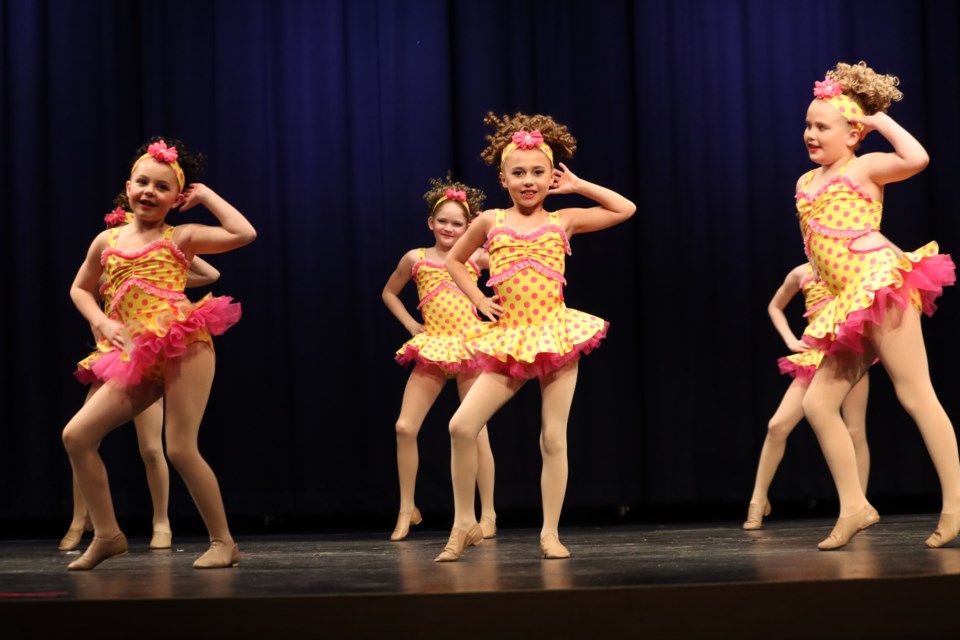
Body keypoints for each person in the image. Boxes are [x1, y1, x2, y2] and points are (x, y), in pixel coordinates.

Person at [437, 112, 636, 561]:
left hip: (557, 337)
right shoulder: (490, 221)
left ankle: (549, 532)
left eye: (538, 173)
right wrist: (478, 300)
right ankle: (463, 522)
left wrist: (580, 185)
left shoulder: (563, 220)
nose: (529, 181)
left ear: (551, 177)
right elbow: (455, 261)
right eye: (519, 173)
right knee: (461, 425)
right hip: (511, 339)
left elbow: (625, 209)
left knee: (552, 437)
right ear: (503, 178)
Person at [62, 137, 256, 569]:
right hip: (134, 352)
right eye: (142, 182)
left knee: (180, 447)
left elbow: (244, 233)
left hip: (182, 341)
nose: (149, 191)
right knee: (76, 436)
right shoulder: (107, 240)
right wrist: (103, 321)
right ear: (128, 187)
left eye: (162, 187)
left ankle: (223, 542)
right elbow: (79, 288)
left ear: (175, 198)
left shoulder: (181, 236)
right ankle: (109, 535)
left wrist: (206, 196)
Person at [795, 61, 958, 549]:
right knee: (818, 404)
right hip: (847, 303)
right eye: (808, 124)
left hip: (879, 288)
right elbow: (816, 247)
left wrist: (881, 121)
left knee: (915, 394)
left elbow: (918, 158)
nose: (811, 133)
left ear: (853, 134)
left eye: (823, 126)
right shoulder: (806, 182)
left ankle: (954, 505)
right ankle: (855, 506)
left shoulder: (864, 167)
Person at [59, 206, 221, 552]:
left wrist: (176, 262)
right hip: (118, 359)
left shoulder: (168, 246)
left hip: (167, 344)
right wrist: (103, 326)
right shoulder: (107, 270)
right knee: (80, 436)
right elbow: (83, 294)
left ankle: (167, 523)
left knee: (161, 447)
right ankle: (88, 525)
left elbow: (211, 272)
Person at [381, 176, 497, 541]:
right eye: (442, 221)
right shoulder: (415, 258)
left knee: (476, 432)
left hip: (469, 345)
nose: (449, 228)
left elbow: (512, 259)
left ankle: (488, 512)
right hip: (433, 346)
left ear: (467, 227)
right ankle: (406, 510)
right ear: (431, 223)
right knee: (404, 427)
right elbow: (389, 292)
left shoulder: (475, 256)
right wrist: (412, 325)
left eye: (457, 223)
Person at [743, 263, 870, 530]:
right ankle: (758, 500)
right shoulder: (801, 273)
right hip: (814, 357)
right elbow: (774, 306)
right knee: (777, 426)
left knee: (855, 431)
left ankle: (858, 506)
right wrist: (790, 339)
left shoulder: (850, 267)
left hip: (848, 355)